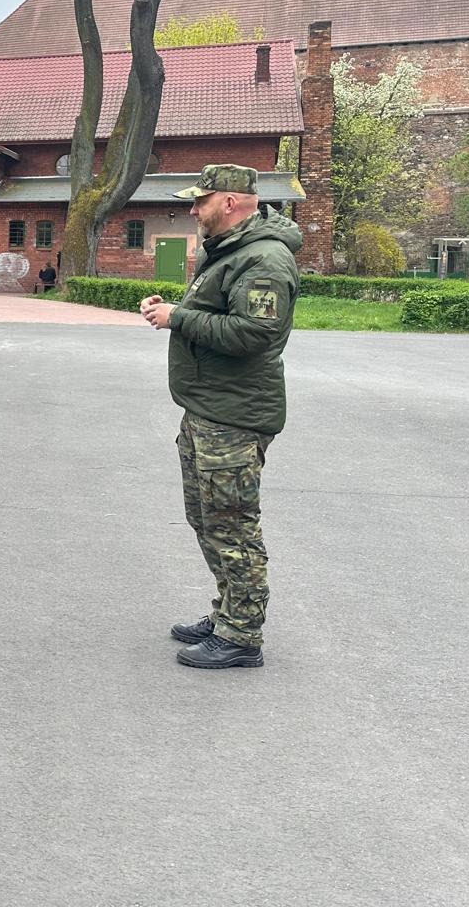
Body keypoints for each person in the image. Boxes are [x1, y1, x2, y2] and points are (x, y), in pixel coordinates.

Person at [140, 164, 300, 671]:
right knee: (206, 517)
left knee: (232, 525)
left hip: (234, 416)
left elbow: (256, 335)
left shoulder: (265, 259)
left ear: (229, 202)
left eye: (200, 201)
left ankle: (242, 636)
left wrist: (178, 317)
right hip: (209, 408)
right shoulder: (230, 251)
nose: (193, 210)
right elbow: (221, 315)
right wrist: (174, 309)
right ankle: (229, 611)